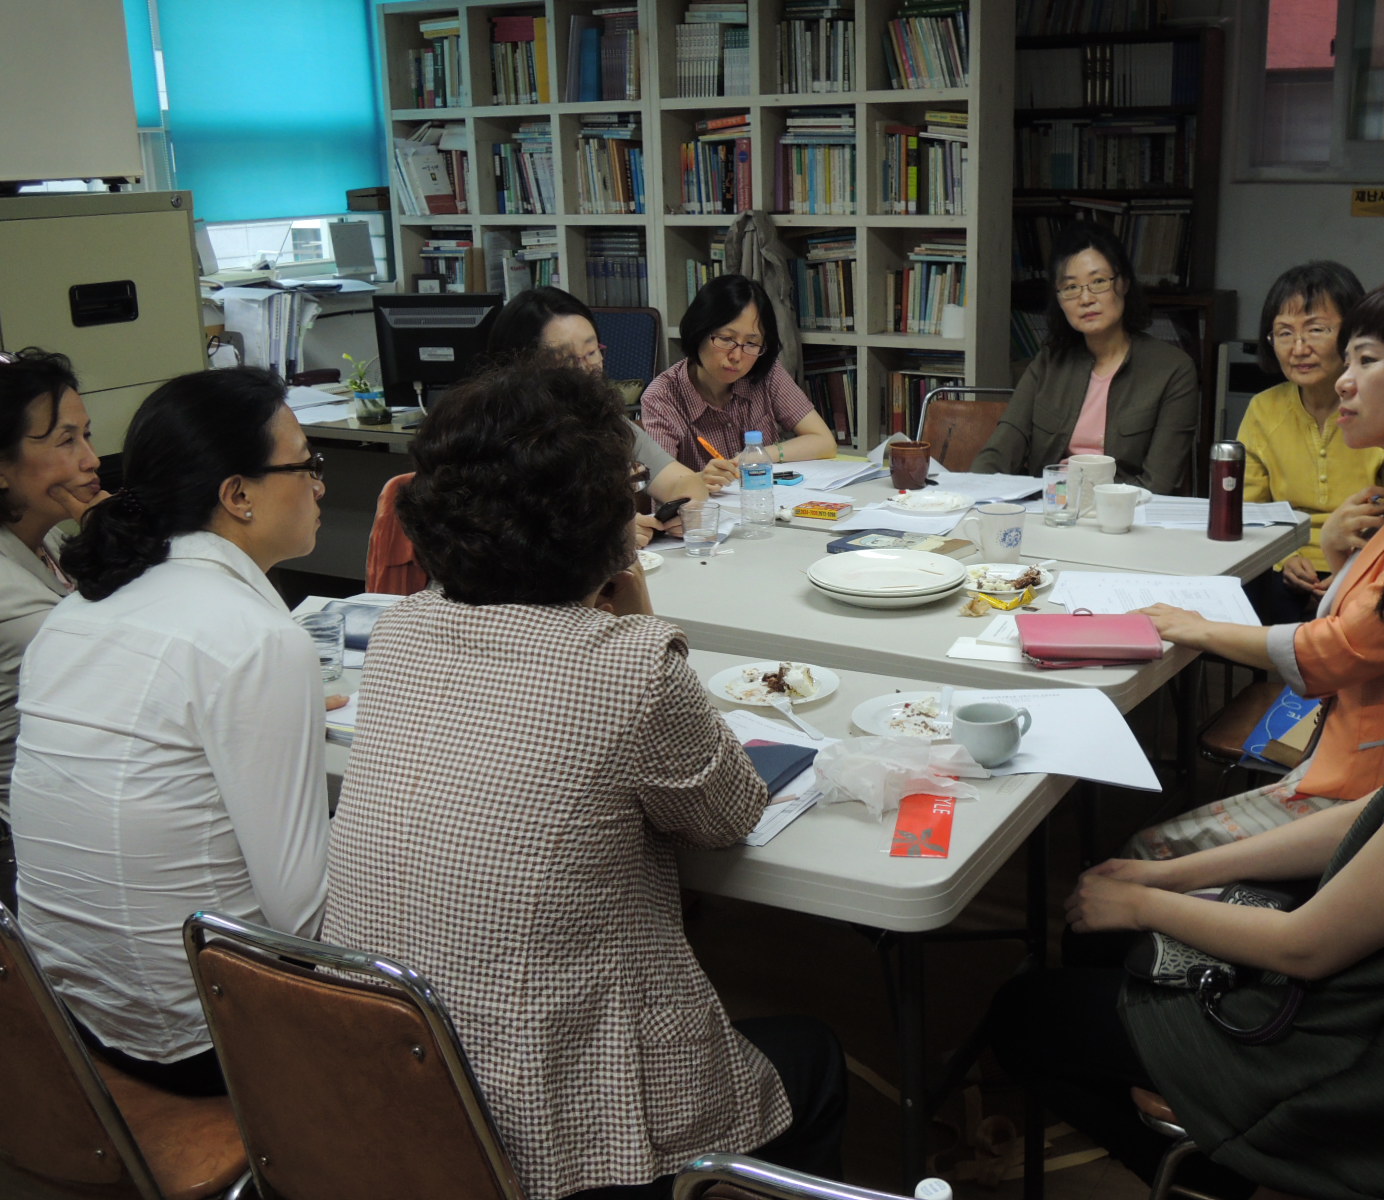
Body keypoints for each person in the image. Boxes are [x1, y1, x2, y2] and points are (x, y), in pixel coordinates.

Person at [990, 417, 1384, 1200]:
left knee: (1024, 1015)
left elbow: (1307, 946)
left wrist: (1144, 899)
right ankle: (1188, 1114)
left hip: (1368, 1068)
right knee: (1104, 937)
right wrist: (1172, 878)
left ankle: (1221, 1168)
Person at [323, 362, 846, 1200]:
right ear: (599, 519)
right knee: (814, 1056)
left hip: (385, 1092)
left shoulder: (401, 633)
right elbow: (727, 815)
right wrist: (639, 624)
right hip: (547, 1129)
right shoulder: (625, 666)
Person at [10, 367, 331, 1096]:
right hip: (202, 1039)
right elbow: (302, 918)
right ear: (237, 495)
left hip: (70, 1017)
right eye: (306, 463)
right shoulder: (254, 639)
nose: (319, 485)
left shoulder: (76, 613)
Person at [1127, 278, 1384, 858]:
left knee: (1143, 852)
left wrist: (1195, 627)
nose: (1345, 379)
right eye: (1348, 360)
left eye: (1366, 360)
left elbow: (1343, 648)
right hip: (1375, 750)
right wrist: (1336, 553)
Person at [970, 222, 1198, 494]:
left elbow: (1158, 484)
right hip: (1052, 506)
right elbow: (1000, 450)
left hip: (1125, 510)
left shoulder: (1173, 370)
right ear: (1059, 299)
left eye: (1099, 282)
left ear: (1123, 283)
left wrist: (1085, 493)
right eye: (1071, 287)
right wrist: (973, 493)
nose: (1086, 298)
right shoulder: (1048, 363)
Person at [1238, 262, 1384, 623]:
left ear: (1354, 334)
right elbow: (1249, 512)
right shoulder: (1263, 409)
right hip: (1281, 566)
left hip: (1366, 562)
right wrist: (1284, 559)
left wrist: (1349, 567)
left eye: (1316, 330)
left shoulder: (1382, 409)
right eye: (1284, 333)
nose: (1299, 348)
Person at [488, 285, 708, 547]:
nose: (586, 369)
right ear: (518, 368)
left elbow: (685, 481)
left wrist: (687, 508)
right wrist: (606, 534)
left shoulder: (607, 424)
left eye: (592, 352)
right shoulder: (496, 439)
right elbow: (507, 541)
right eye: (565, 359)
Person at [0, 348, 102, 910]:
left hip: (69, 811)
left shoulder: (52, 540)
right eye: (66, 441)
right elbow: (120, 667)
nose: (91, 460)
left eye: (86, 436)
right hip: (22, 851)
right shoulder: (8, 590)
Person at [641, 274, 837, 489]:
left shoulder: (765, 372)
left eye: (751, 343)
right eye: (726, 339)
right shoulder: (662, 396)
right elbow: (660, 486)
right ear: (699, 332)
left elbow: (824, 441)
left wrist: (759, 455)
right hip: (706, 508)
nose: (736, 356)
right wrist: (698, 481)